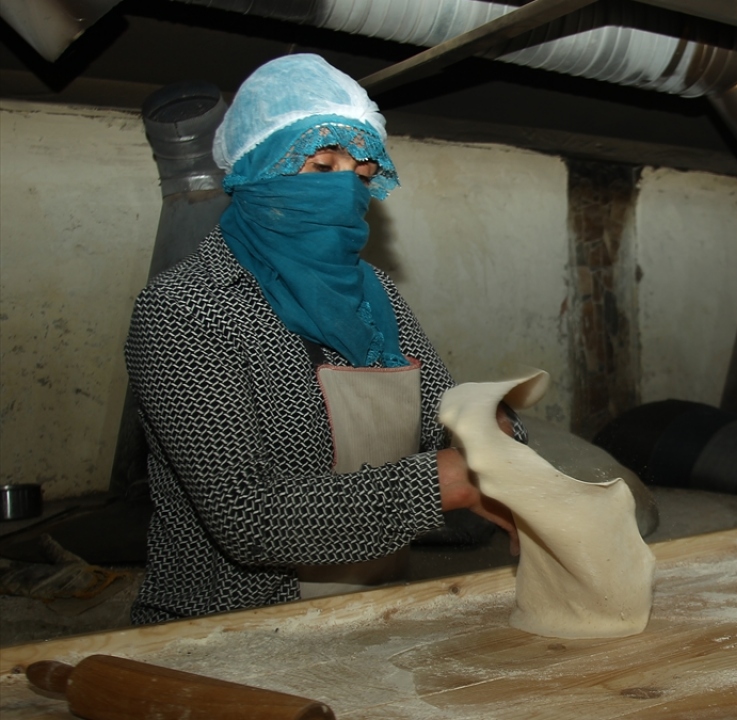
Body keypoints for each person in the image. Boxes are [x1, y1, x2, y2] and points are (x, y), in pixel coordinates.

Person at [124, 54, 518, 624]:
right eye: (321, 166)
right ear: (258, 169)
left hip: (374, 607)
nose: (344, 193)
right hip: (228, 627)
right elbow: (248, 519)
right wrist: (443, 482)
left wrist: (491, 427)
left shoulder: (374, 294)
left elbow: (442, 410)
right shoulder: (185, 308)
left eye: (361, 176)